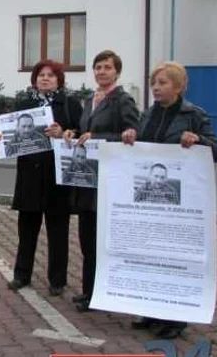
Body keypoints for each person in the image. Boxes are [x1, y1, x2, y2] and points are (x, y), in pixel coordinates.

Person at [122, 61, 217, 339]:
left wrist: (198, 139)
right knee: (148, 254)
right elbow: (140, 146)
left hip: (180, 202)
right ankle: (150, 310)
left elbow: (216, 150)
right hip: (149, 202)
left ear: (178, 86)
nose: (156, 87)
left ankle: (175, 318)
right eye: (154, 82)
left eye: (162, 82)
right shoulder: (147, 114)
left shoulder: (193, 115)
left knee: (172, 257)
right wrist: (130, 137)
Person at [0, 60, 83, 297]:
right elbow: (12, 136)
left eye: (51, 75)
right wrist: (0, 137)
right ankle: (21, 275)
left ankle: (57, 281)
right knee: (27, 230)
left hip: (57, 177)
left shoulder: (71, 105)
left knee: (58, 232)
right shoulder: (24, 105)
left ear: (59, 80)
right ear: (34, 80)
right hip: (30, 177)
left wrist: (62, 133)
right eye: (41, 75)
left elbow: (82, 136)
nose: (45, 79)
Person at [63, 49, 140, 312]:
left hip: (109, 181)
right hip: (87, 179)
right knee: (87, 240)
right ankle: (89, 291)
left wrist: (98, 138)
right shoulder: (89, 100)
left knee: (103, 241)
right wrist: (74, 133)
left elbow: (131, 136)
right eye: (98, 67)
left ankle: (102, 292)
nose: (102, 72)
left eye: (107, 67)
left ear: (117, 72)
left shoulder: (123, 100)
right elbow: (85, 131)